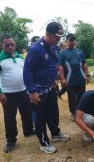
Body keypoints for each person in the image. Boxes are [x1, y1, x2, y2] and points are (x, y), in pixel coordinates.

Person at [23, 22, 70, 154]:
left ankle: (55, 134)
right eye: (57, 37)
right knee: (40, 117)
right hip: (38, 90)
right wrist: (32, 91)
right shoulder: (35, 49)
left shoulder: (54, 47)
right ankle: (44, 142)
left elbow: (54, 63)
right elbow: (27, 72)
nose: (59, 39)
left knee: (53, 112)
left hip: (50, 88)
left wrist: (55, 79)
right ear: (48, 34)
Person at [0, 35, 34, 153]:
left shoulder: (20, 57)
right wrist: (0, 93)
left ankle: (28, 131)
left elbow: (26, 74)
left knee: (27, 113)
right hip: (8, 94)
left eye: (12, 44)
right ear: (2, 46)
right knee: (9, 118)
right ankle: (11, 140)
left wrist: (29, 89)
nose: (10, 47)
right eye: (7, 45)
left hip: (23, 91)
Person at [59, 33, 90, 120]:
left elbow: (84, 63)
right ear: (66, 41)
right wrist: (62, 79)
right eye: (70, 40)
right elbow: (60, 67)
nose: (72, 42)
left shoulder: (79, 51)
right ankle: (73, 113)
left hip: (81, 79)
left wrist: (87, 75)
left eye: (73, 40)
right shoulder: (63, 53)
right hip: (70, 80)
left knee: (81, 96)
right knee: (71, 97)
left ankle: (81, 112)